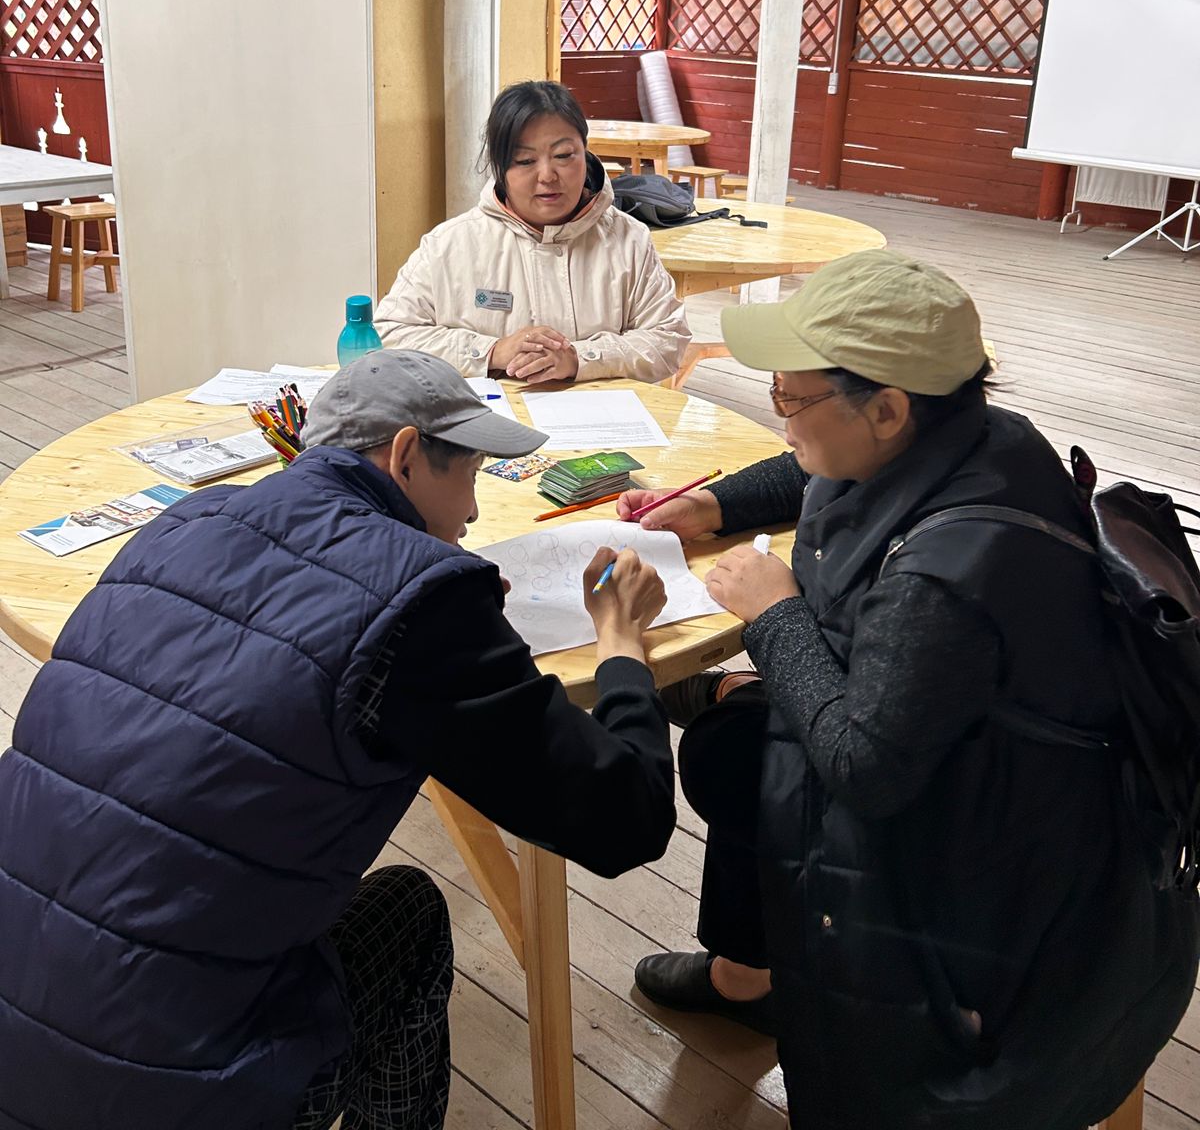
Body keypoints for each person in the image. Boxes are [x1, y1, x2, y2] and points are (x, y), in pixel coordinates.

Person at [0, 350, 677, 1130]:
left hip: (20, 1037)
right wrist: (621, 642)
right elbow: (626, 818)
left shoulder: (184, 521)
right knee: (409, 917)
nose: (472, 513)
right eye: (471, 475)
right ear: (406, 455)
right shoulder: (421, 603)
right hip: (164, 1098)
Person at [618, 251, 1200, 1130]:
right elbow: (815, 466)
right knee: (732, 739)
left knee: (732, 752)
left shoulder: (947, 575)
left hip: (991, 862)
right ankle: (748, 972)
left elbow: (867, 766)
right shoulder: (982, 437)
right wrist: (716, 506)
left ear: (888, 409)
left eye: (789, 398)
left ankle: (773, 975)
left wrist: (775, 614)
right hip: (1011, 765)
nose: (780, 418)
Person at [375, 80, 690, 384]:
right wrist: (492, 351)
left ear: (585, 153)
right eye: (525, 160)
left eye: (563, 155)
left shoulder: (629, 240)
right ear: (500, 168)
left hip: (605, 420)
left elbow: (668, 339)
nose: (547, 176)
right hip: (485, 418)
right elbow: (389, 333)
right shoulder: (449, 245)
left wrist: (581, 358)